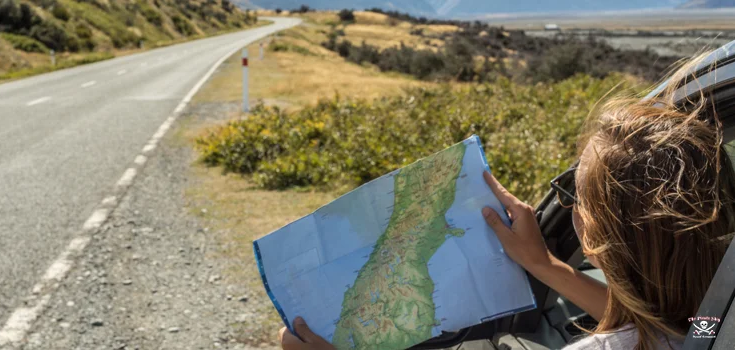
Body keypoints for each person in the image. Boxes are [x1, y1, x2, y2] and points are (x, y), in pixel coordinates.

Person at [278, 53, 735, 350]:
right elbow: (662, 331)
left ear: (595, 237)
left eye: (580, 197)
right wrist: (544, 265)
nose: (572, 207)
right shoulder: (712, 316)